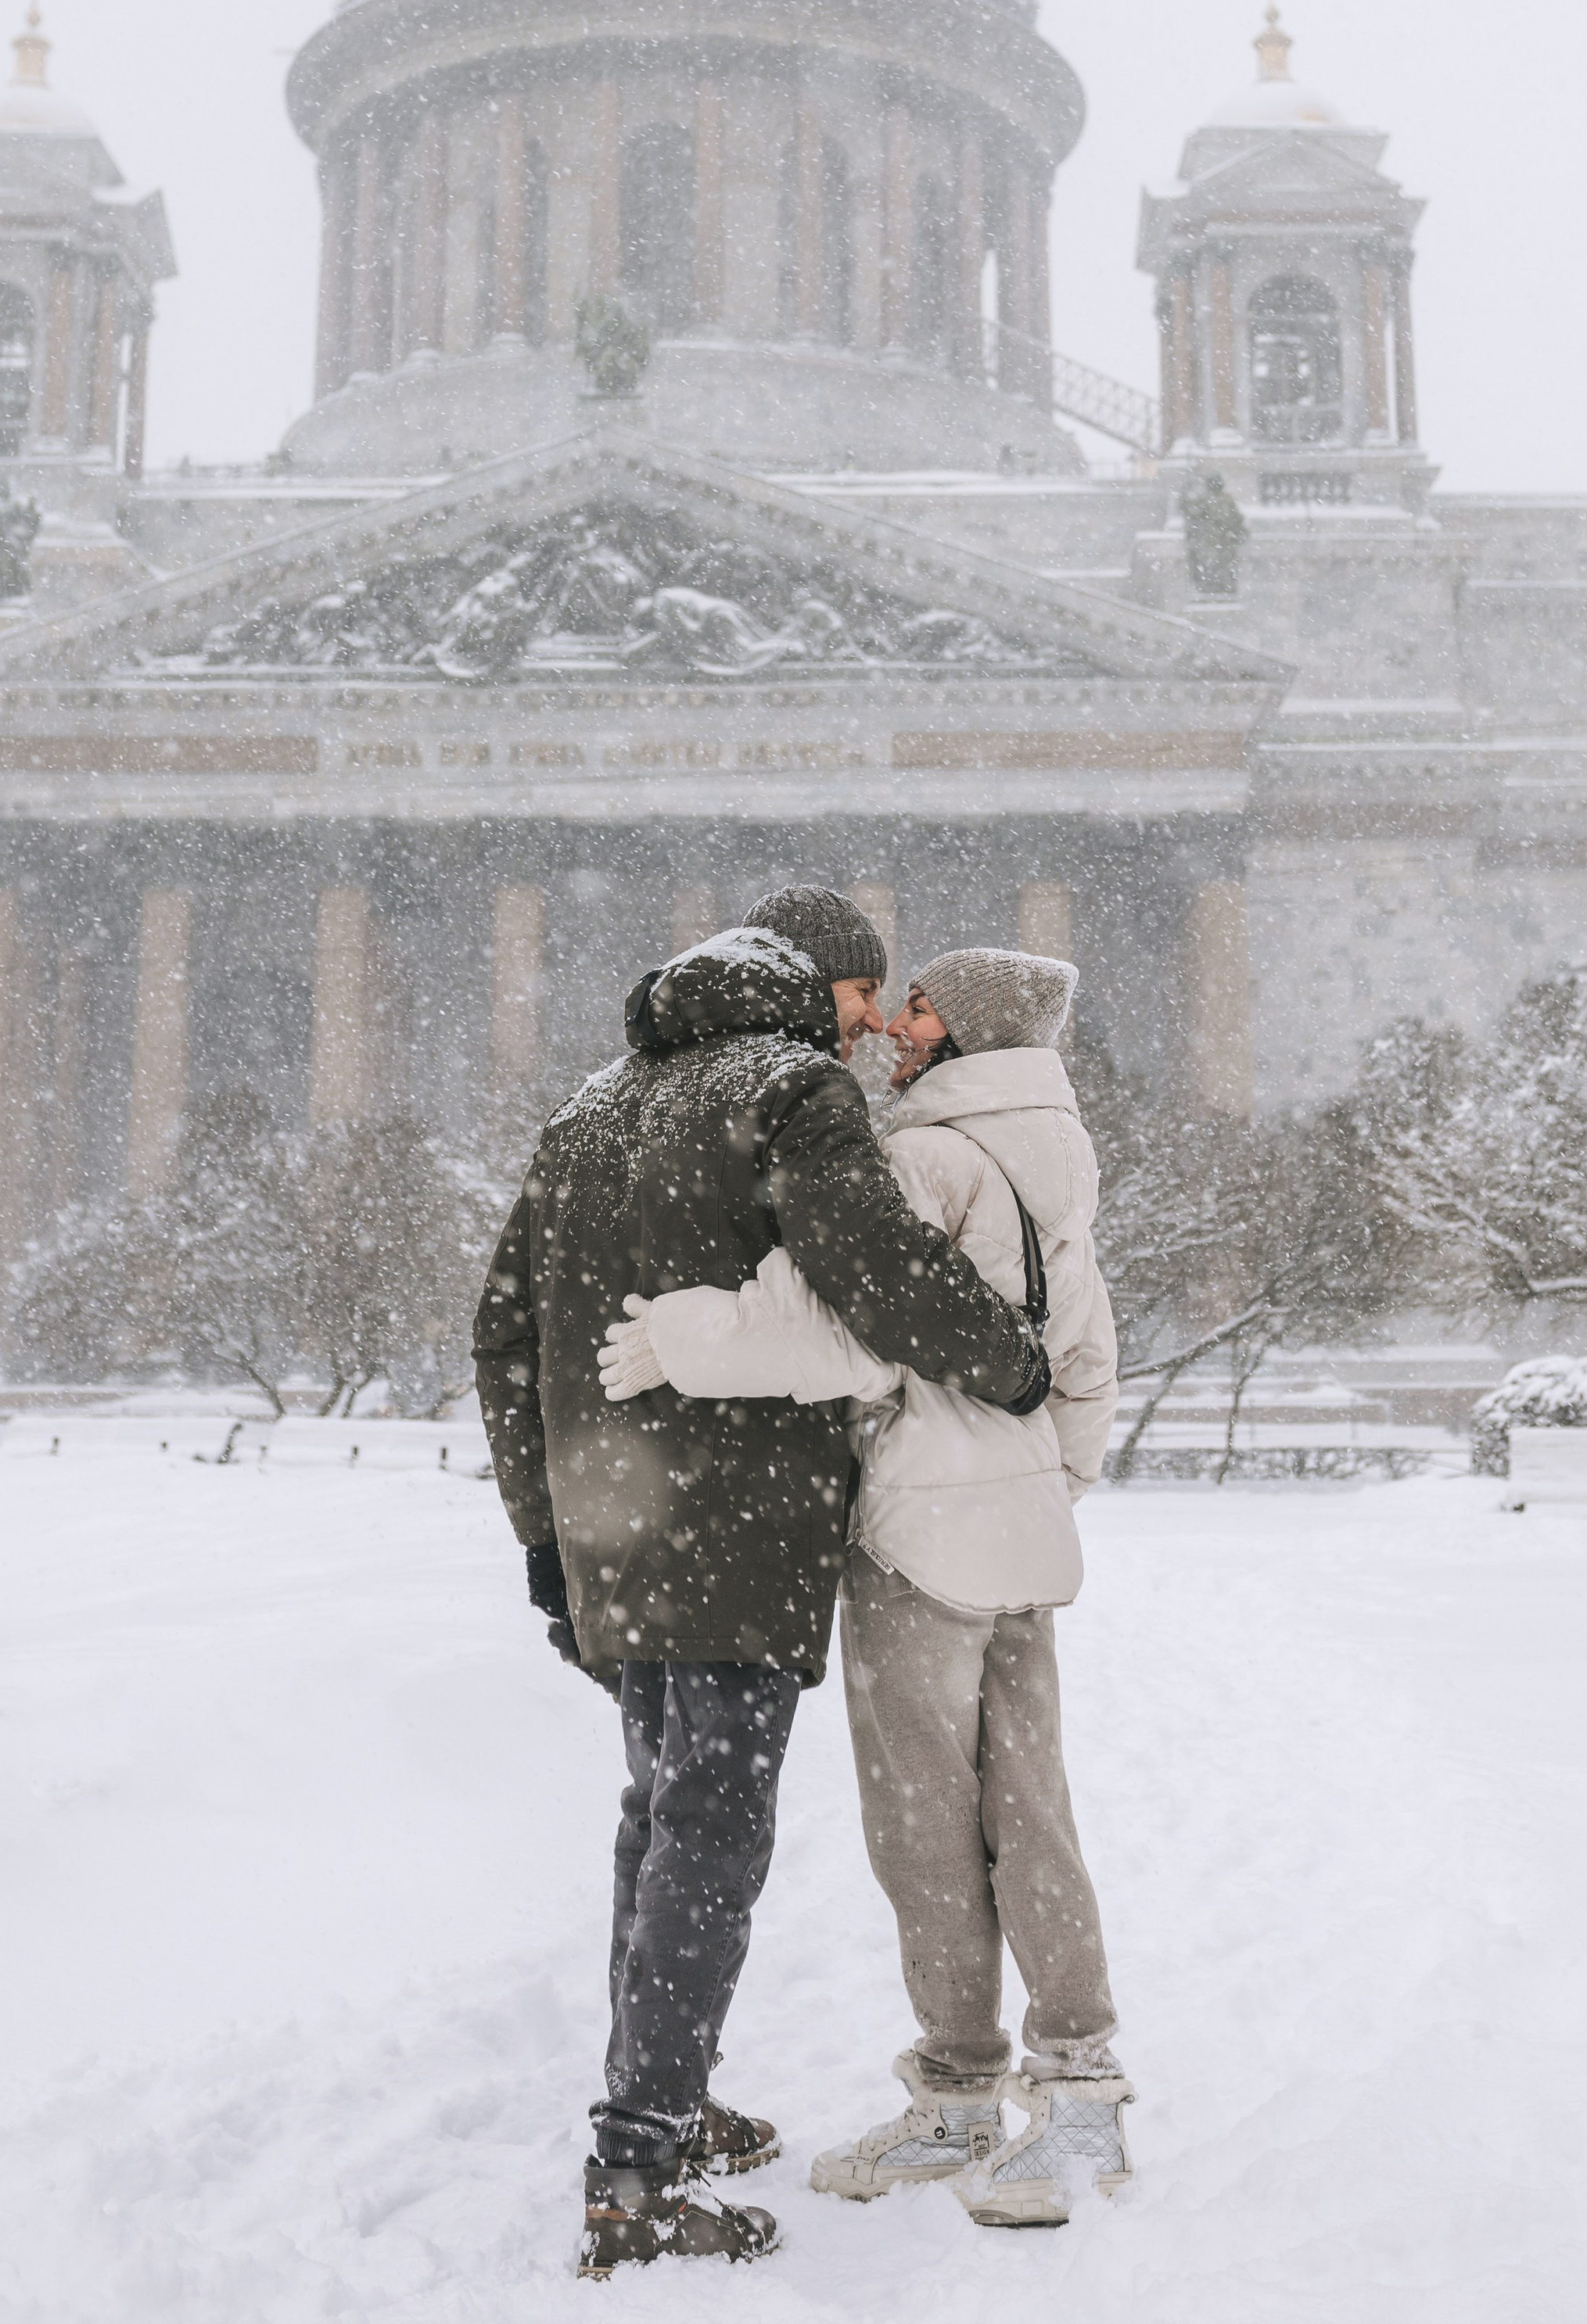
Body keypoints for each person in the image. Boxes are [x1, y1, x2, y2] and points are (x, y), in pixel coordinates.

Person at [471, 888, 1050, 2279]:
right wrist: (1008, 1357)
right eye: (868, 997)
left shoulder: (596, 1104)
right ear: (823, 984)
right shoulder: (789, 1090)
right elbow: (873, 1267)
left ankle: (665, 2090)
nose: (870, 1029)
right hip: (736, 1526)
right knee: (712, 1833)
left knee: (656, 1812)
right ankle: (640, 2162)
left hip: (615, 1527)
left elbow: (503, 1331)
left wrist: (547, 1534)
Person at [603, 945, 1131, 2230]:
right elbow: (1087, 1359)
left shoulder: (925, 1157)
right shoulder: (1057, 1156)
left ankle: (958, 2092)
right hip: (1021, 1535)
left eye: (925, 1008)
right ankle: (1082, 2093)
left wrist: (678, 1333)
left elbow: (829, 1323)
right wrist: (1036, 1479)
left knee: (923, 1829)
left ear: (971, 1032)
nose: (896, 1025)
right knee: (1035, 1811)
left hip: (915, 1540)